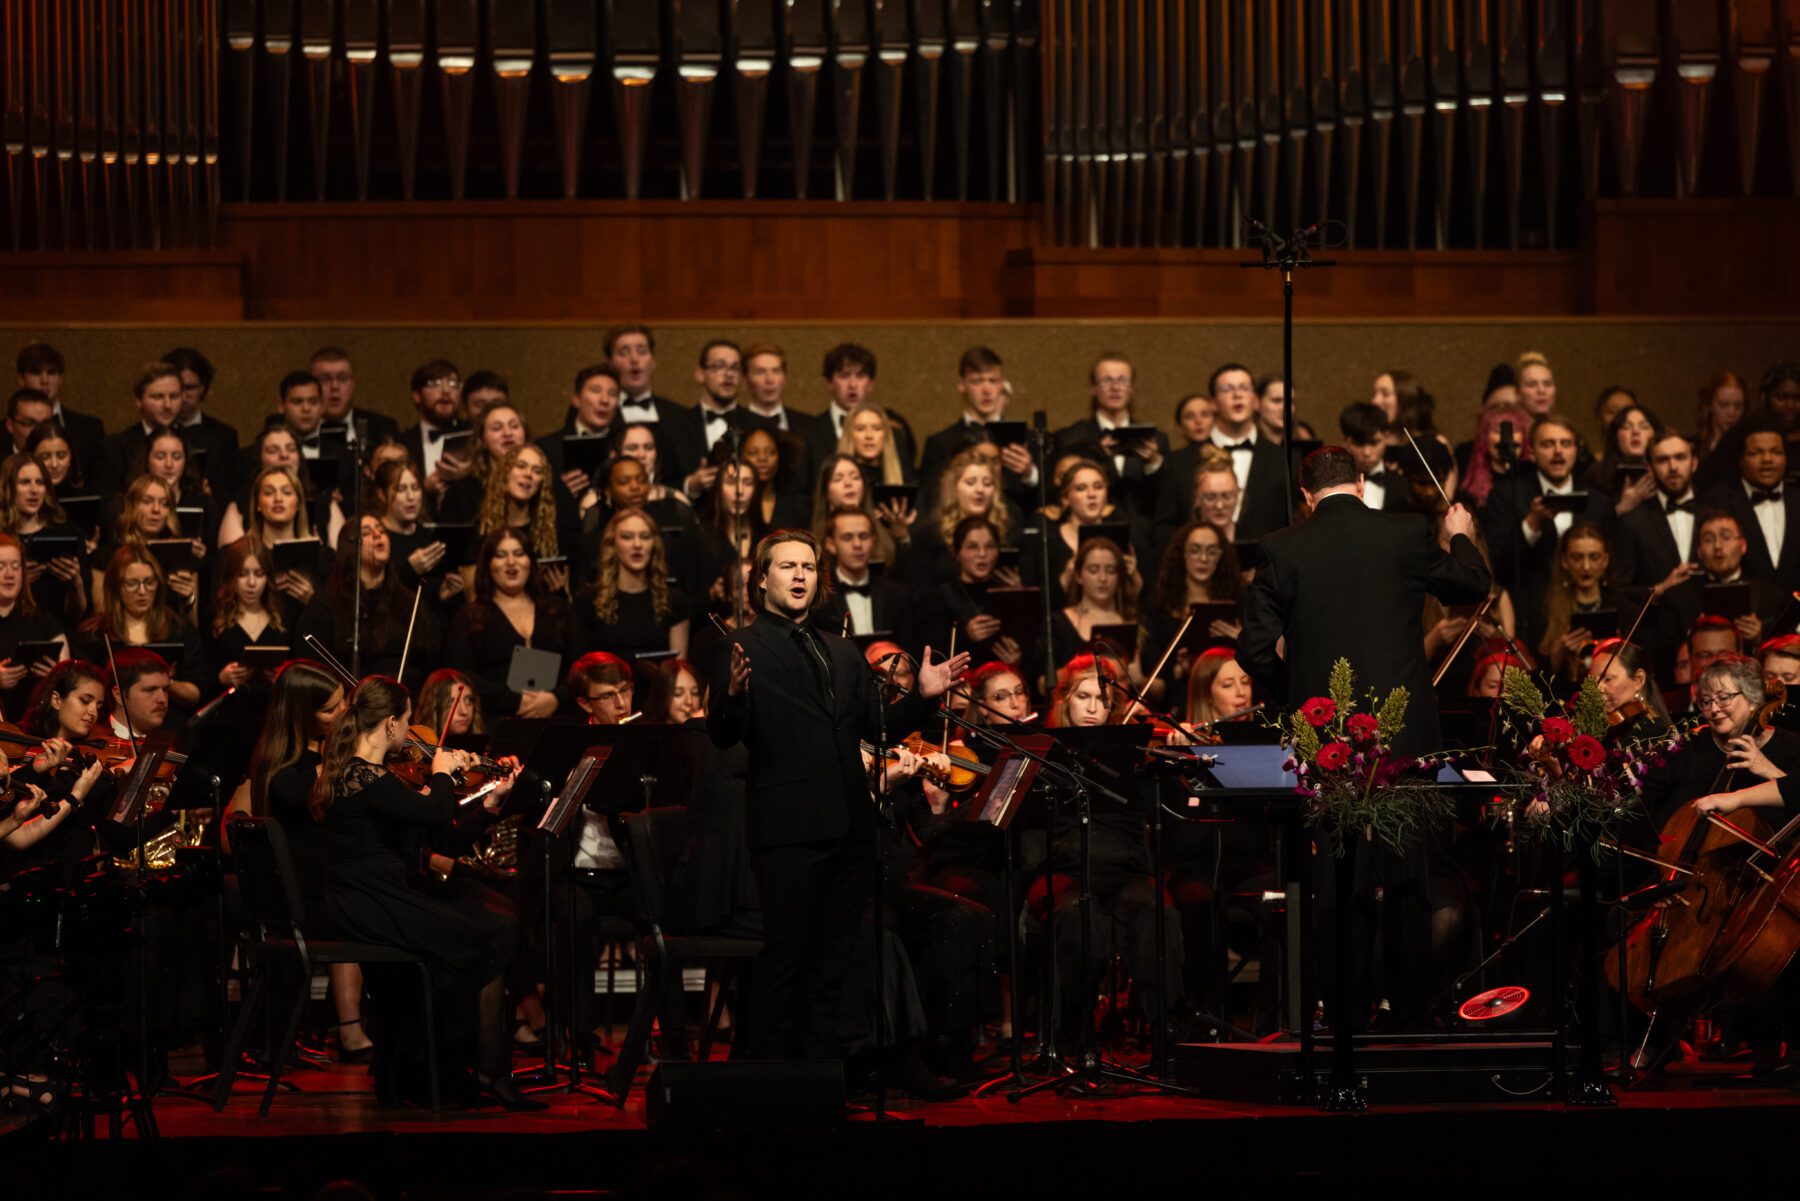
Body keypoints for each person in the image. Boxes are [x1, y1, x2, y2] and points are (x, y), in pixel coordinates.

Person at [1237, 445, 1491, 1032]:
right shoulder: (1403, 533)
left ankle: (1345, 1019)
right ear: (1359, 483)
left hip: (1326, 740)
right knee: (1408, 879)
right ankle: (1407, 1018)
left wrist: (1299, 707)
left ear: (1306, 495)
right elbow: (1470, 584)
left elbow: (1252, 650)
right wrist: (1458, 532)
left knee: (1336, 879)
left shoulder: (1282, 546)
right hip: (1404, 738)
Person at [706, 528, 968, 1060]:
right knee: (786, 960)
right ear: (761, 580)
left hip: (849, 830)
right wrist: (733, 696)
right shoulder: (743, 647)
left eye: (807, 566)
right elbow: (724, 735)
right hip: (787, 830)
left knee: (831, 964)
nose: (800, 575)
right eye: (787, 566)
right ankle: (771, 1086)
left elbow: (875, 728)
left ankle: (818, 1084)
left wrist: (922, 699)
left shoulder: (842, 651)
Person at [308, 675, 533, 1109]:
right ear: (390, 724)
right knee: (477, 943)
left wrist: (490, 801)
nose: (413, 733)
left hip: (383, 893)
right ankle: (449, 1070)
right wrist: (443, 772)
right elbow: (434, 811)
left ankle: (444, 1068)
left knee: (483, 935)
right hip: (366, 901)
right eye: (408, 722)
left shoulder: (377, 775)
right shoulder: (361, 776)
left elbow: (440, 838)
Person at [446, 528, 582, 719]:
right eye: (501, 555)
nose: (511, 562)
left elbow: (581, 666)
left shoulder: (559, 610)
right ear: (488, 564)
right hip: (496, 720)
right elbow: (460, 675)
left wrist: (555, 698)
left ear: (530, 562)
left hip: (557, 718)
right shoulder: (470, 616)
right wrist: (514, 700)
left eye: (519, 554)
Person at [296, 516, 438, 689]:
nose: (377, 534)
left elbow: (428, 660)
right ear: (350, 547)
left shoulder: (408, 601)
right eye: (366, 532)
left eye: (381, 530)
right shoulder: (327, 604)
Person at [75, 546, 206, 711]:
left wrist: (163, 682)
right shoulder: (94, 635)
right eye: (132, 583)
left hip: (167, 726)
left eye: (149, 582)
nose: (142, 591)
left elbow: (195, 694)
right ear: (115, 587)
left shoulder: (178, 629)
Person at [1053, 351, 1168, 520]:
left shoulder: (1156, 439)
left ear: (1132, 388)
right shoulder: (1070, 438)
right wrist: (1098, 455)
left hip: (1142, 536)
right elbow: (1058, 493)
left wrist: (1153, 465)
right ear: (1093, 388)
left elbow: (1166, 500)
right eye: (1107, 380)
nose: (1115, 387)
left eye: (1122, 380)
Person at [913, 516, 1026, 672]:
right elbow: (932, 657)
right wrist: (966, 636)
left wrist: (1017, 660)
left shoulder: (1008, 593)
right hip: (959, 683)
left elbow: (1030, 646)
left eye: (990, 546)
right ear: (957, 552)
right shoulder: (939, 596)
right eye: (972, 547)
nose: (982, 553)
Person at [1701, 416, 1800, 588]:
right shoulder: (1718, 500)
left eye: (1776, 452)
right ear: (1740, 459)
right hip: (1743, 609)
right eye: (1756, 453)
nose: (1767, 459)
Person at [585, 508, 689, 659]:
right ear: (612, 543)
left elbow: (678, 667)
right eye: (627, 537)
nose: (637, 544)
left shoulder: (674, 601)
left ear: (654, 544)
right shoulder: (589, 600)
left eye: (645, 537)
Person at [0, 451, 87, 626]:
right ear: (8, 487)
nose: (34, 490)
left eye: (39, 482)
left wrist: (75, 583)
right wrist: (21, 583)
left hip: (57, 627)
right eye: (25, 482)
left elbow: (79, 614)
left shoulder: (67, 532)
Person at [815, 507, 912, 651]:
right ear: (831, 544)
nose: (857, 544)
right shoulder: (819, 597)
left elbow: (909, 652)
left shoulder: (896, 595)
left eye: (863, 536)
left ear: (873, 541)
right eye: (847, 537)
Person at [0, 533, 68, 719]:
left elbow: (69, 677)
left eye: (16, 566)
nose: (10, 574)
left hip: (35, 724)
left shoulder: (43, 621)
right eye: (1, 566)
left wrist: (54, 677)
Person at [310, 346, 401, 447]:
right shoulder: (295, 430)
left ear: (353, 384)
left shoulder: (383, 428)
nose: (334, 386)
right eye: (325, 379)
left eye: (343, 378)